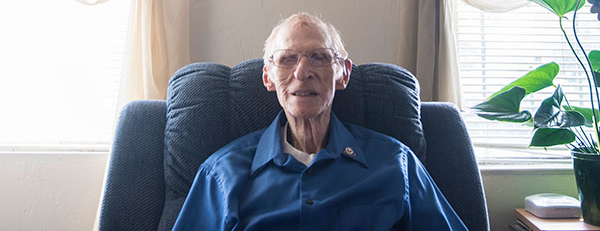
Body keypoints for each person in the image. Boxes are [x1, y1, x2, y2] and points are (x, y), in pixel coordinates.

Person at [171, 12, 469, 230]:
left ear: (344, 73)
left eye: (319, 57)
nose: (302, 72)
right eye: (287, 59)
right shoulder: (222, 173)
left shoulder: (396, 163)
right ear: (268, 77)